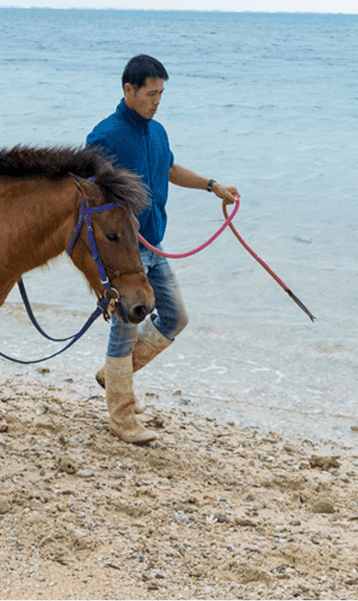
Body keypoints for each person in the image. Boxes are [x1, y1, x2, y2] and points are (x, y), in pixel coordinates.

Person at [86, 54, 239, 443]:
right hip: (126, 254)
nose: (157, 101)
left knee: (175, 317)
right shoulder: (106, 135)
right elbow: (87, 196)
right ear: (128, 90)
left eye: (161, 94)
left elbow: (169, 168)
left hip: (156, 245)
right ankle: (121, 418)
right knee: (124, 331)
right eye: (151, 93)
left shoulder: (158, 132)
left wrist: (211, 185)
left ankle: (114, 376)